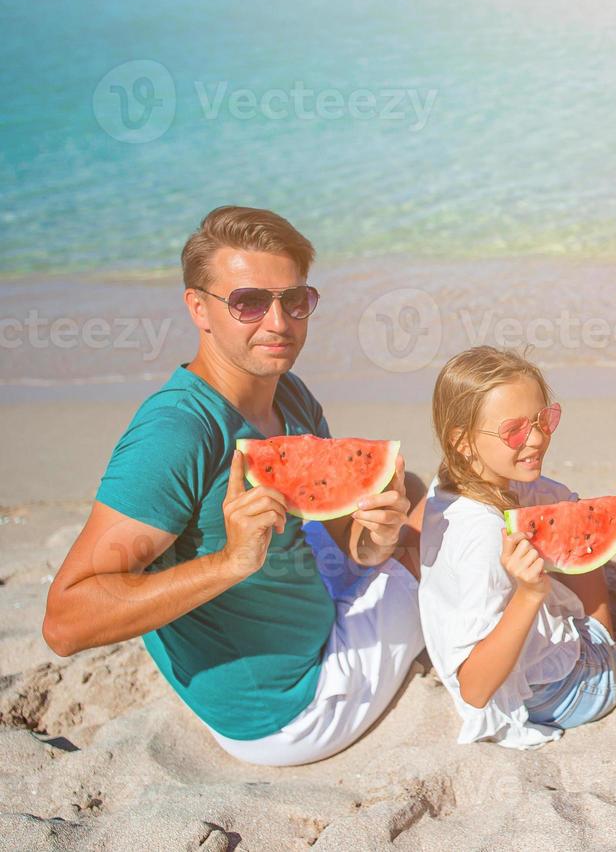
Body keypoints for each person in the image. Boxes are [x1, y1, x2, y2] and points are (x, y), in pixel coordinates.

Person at [42, 206, 425, 766]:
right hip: (290, 708)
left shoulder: (289, 394)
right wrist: (230, 562)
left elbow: (354, 543)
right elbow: (63, 623)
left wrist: (378, 537)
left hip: (296, 616)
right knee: (442, 536)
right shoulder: (176, 435)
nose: (278, 323)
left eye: (295, 301)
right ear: (199, 307)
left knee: (407, 489)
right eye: (249, 302)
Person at [417, 347, 616, 749]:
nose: (535, 438)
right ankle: (605, 641)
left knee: (575, 520)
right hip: (563, 693)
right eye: (514, 430)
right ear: (462, 440)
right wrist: (531, 594)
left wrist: (602, 526)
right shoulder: (483, 535)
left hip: (522, 675)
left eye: (544, 420)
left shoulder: (447, 484)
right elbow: (475, 690)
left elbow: (418, 535)